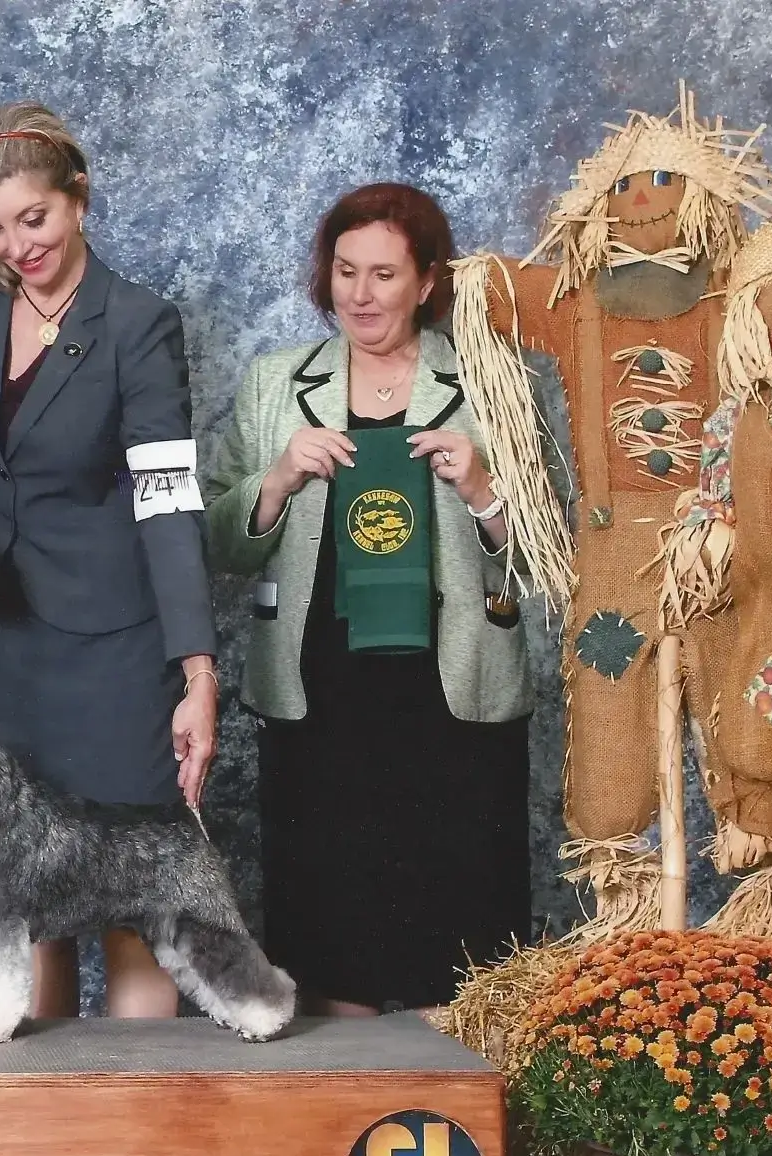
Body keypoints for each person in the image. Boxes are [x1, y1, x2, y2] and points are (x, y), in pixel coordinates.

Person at [0, 102, 218, 1019]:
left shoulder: (139, 323)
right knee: (24, 898)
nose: (16, 246)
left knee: (129, 904)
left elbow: (167, 502)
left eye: (32, 219)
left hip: (120, 650)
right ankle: (44, 1136)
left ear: (78, 198)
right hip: (11, 647)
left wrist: (195, 670)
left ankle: (134, 1133)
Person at [202, 182, 543, 1016]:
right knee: (329, 924)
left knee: (459, 926)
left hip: (452, 691)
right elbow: (220, 542)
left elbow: (547, 554)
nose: (359, 293)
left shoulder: (491, 379)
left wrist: (484, 487)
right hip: (321, 695)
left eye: (383, 274)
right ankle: (341, 1108)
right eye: (346, 271)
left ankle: (451, 1105)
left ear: (428, 281)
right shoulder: (276, 382)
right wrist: (276, 479)